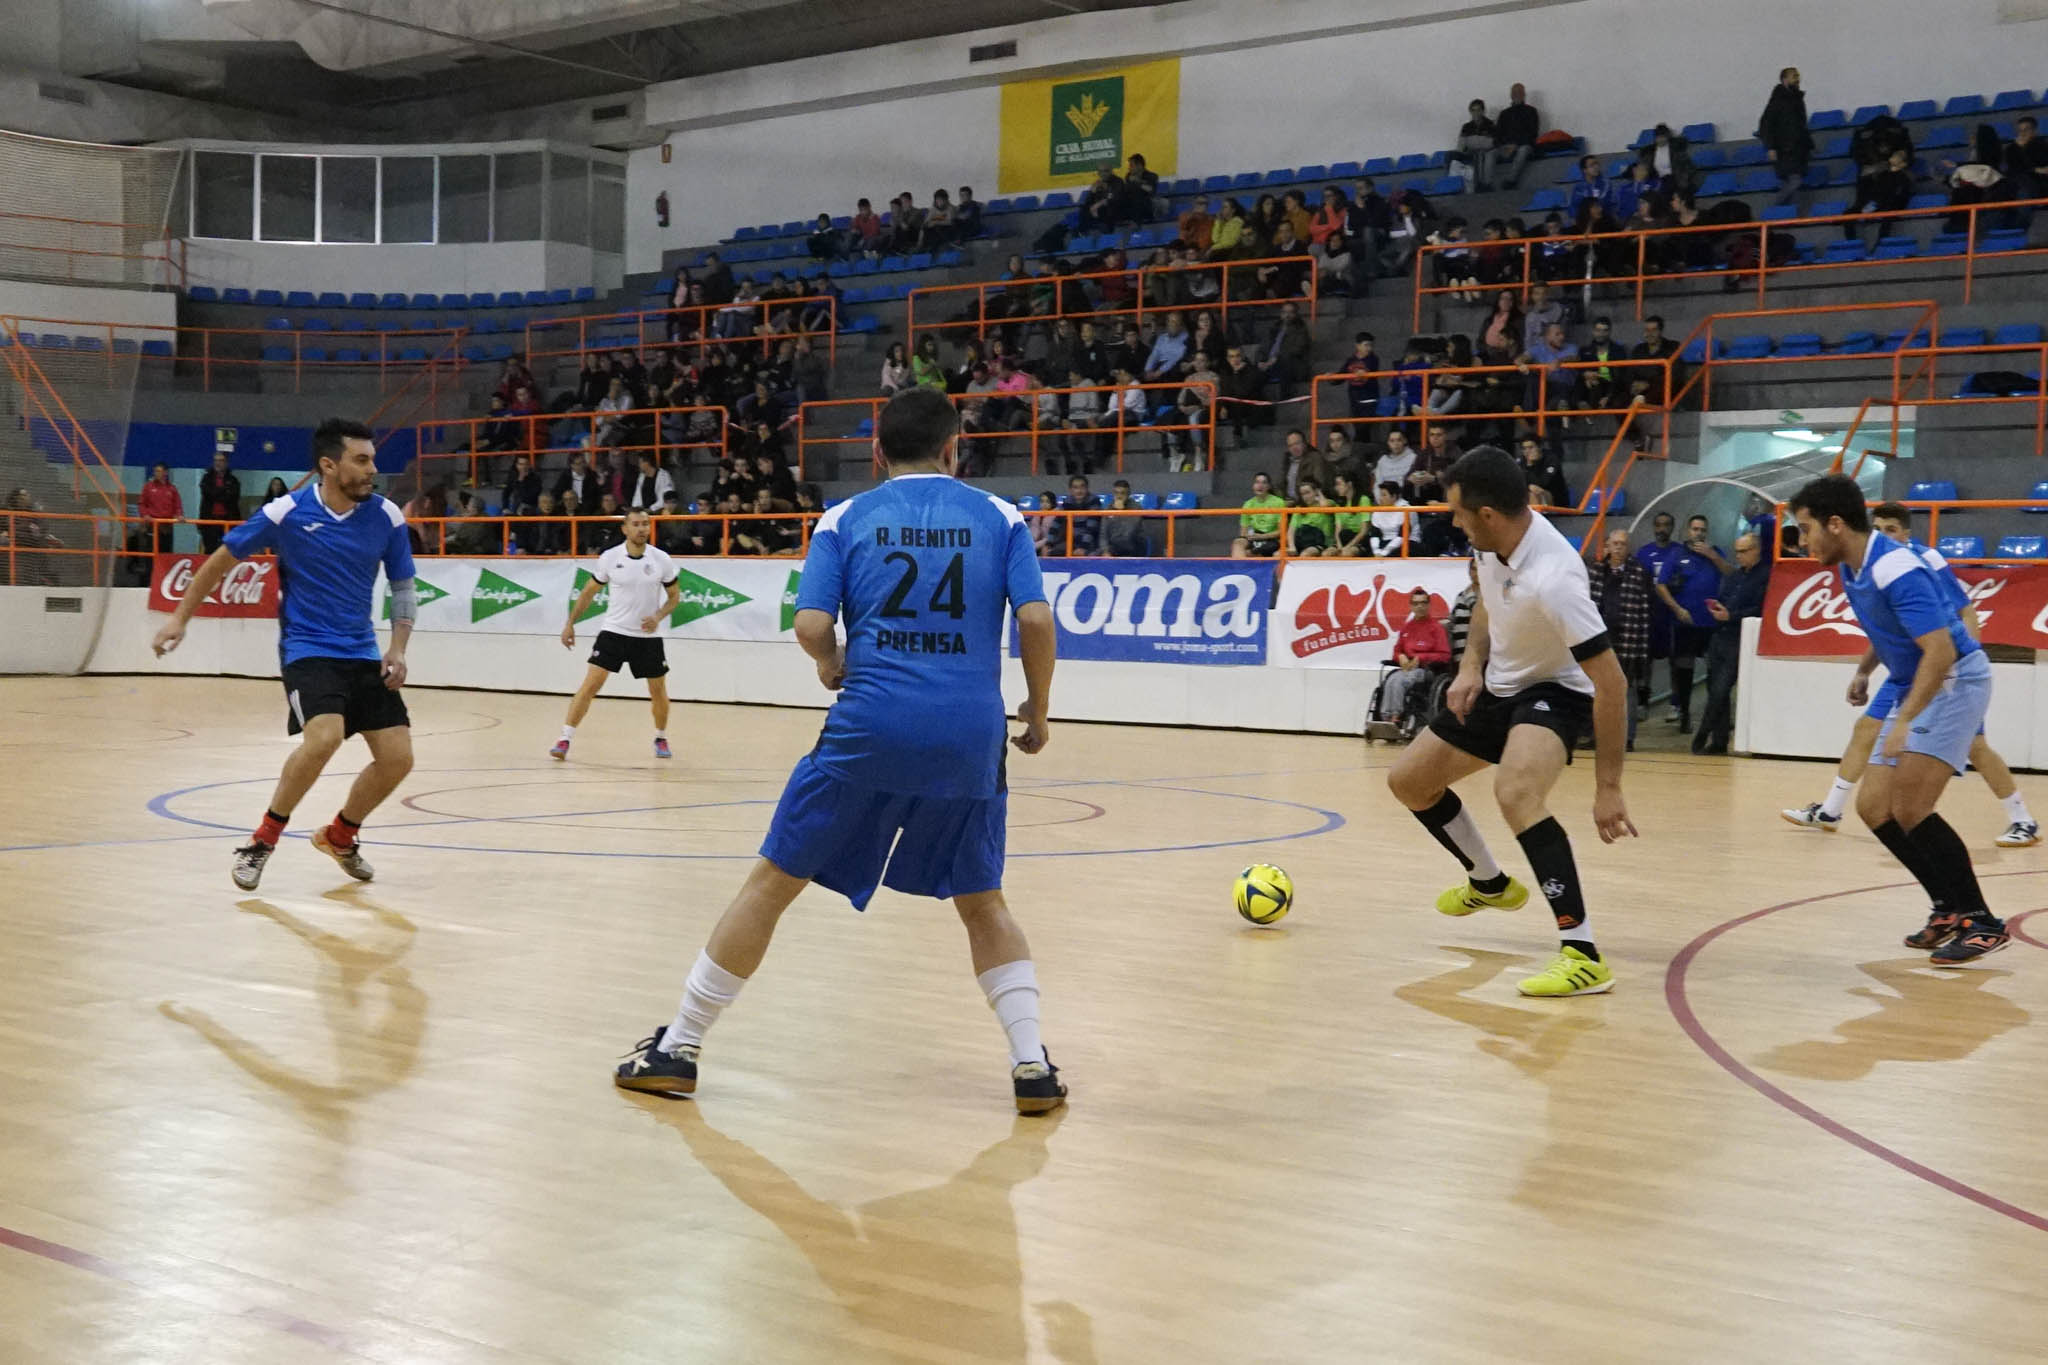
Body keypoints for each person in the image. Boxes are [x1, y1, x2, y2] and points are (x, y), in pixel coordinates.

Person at [614, 387, 1066, 1114]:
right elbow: (1037, 619)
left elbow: (811, 622)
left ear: (877, 451)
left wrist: (831, 663)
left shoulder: (846, 518)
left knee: (772, 882)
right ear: (955, 447)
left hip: (868, 727)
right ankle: (1031, 1065)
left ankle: (679, 1047)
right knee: (983, 900)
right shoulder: (1003, 518)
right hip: (968, 734)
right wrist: (1037, 710)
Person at [1386, 446, 1636, 997]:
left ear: (1488, 515)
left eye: (1457, 512)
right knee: (1408, 781)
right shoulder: (1494, 545)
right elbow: (1485, 604)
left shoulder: (1555, 579)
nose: (1453, 522)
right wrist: (1471, 664)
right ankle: (1489, 882)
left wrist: (1609, 786)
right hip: (1500, 683)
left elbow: (1612, 684)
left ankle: (1583, 953)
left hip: (1556, 692)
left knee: (1516, 791)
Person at [150, 418, 417, 891]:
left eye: (372, 459)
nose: (372, 469)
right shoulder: (285, 512)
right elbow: (220, 559)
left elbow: (402, 587)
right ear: (328, 465)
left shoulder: (387, 517)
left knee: (398, 759)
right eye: (362, 460)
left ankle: (340, 835)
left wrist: (398, 646)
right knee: (323, 738)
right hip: (307, 650)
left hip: (362, 653)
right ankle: (261, 841)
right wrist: (179, 618)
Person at [1785, 475, 2008, 963]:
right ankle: (1947, 908)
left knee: (1910, 805)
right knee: (1874, 808)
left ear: (1836, 524)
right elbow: (1889, 629)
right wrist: (1865, 671)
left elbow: (1942, 649)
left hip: (1953, 679)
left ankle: (1982, 921)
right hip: (1916, 680)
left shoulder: (1895, 568)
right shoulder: (1852, 564)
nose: (1802, 542)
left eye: (1805, 529)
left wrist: (1905, 719)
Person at [1783, 503, 2038, 846]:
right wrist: (1863, 671)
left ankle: (2022, 818)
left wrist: (1964, 666)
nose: (1884, 534)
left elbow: (1963, 612)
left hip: (1943, 671)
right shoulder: (1860, 565)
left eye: (1891, 529)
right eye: (1879, 528)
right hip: (1905, 674)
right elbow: (1885, 629)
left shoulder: (1921, 562)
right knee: (1865, 730)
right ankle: (1831, 810)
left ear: (1906, 533)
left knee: (1976, 749)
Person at [552, 507, 682, 762]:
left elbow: (675, 596)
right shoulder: (610, 557)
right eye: (636, 524)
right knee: (591, 684)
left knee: (658, 689)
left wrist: (657, 617)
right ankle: (564, 738)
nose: (642, 528)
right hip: (614, 631)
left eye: (645, 523)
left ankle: (660, 737)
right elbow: (588, 592)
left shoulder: (661, 559)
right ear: (625, 528)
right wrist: (570, 623)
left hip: (647, 638)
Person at [1689, 532, 1769, 755]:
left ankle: (1704, 732)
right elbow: (1726, 599)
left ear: (1756, 550)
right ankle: (1719, 740)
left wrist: (1731, 615)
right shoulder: (1735, 576)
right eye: (1737, 552)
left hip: (1740, 638)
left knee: (1721, 689)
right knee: (1715, 688)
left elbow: (1760, 609)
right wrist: (1719, 608)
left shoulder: (1766, 576)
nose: (1739, 556)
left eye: (1743, 552)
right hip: (1721, 636)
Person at [1651, 514, 1724, 734]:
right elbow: (1660, 585)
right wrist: (1677, 608)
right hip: (1685, 623)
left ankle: (1715, 717)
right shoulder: (1676, 554)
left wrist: (1713, 556)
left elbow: (1732, 573)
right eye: (1695, 529)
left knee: (1716, 671)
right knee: (1684, 670)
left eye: (1702, 529)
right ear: (1687, 531)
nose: (1698, 533)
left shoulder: (1716, 553)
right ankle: (1684, 714)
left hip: (1711, 622)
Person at [1586, 528, 1653, 750]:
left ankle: (1627, 738)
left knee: (1627, 690)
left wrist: (1643, 647)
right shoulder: (1596, 571)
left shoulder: (1638, 572)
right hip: (1600, 640)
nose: (1618, 547)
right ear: (1607, 545)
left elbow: (1644, 612)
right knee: (1598, 690)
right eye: (1614, 543)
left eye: (1622, 544)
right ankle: (1597, 736)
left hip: (1628, 641)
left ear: (1628, 547)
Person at [1382, 589, 1452, 737]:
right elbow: (1397, 650)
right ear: (1411, 606)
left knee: (1399, 681)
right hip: (1407, 668)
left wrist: (1421, 658)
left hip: (1425, 670)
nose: (1419, 606)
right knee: (1390, 679)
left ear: (1428, 605)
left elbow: (1444, 655)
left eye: (1423, 603)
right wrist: (1400, 656)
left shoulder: (1436, 628)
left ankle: (1395, 718)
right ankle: (1384, 718)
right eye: (1416, 603)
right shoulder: (1407, 628)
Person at [1757, 66, 1813, 205]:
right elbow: (1766, 125)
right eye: (1794, 76)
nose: (1798, 79)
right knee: (1795, 181)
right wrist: (1770, 147)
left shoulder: (1797, 100)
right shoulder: (1777, 101)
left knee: (1791, 184)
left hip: (1798, 149)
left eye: (1798, 76)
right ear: (1784, 79)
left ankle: (1788, 217)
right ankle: (1775, 208)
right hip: (1785, 150)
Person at [1491, 83, 1541, 190]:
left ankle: (1511, 180)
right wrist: (1504, 145)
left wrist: (1515, 145)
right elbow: (1498, 135)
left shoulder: (1531, 111)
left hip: (1524, 146)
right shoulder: (1504, 114)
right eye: (1514, 93)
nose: (1517, 95)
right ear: (1511, 95)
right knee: (1490, 154)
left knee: (1523, 150)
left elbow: (1532, 134)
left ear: (1524, 94)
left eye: (1519, 92)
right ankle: (1487, 184)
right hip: (1505, 147)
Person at [1232, 472, 1285, 558]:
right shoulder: (1248, 504)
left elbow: (1281, 531)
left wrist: (1262, 536)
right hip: (1254, 537)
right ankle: (1239, 570)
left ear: (1269, 486)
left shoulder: (1279, 502)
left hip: (1271, 539)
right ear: (1253, 486)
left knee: (1251, 553)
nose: (1260, 486)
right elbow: (1243, 533)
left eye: (1264, 483)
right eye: (1257, 482)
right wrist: (1251, 537)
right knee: (1238, 543)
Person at [196, 452, 241, 553]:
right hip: (209, 521)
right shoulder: (206, 478)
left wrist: (216, 493)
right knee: (210, 551)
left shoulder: (233, 480)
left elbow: (233, 498)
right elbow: (208, 494)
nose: (218, 463)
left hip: (227, 521)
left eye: (221, 460)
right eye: (216, 460)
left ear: (226, 463)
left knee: (227, 551)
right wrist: (224, 491)